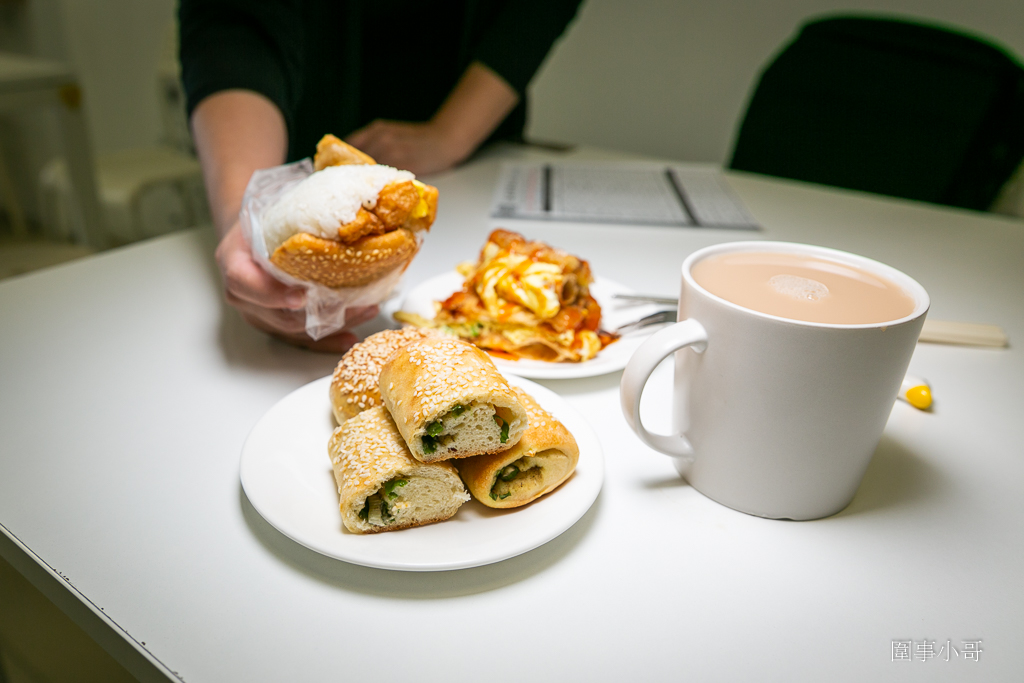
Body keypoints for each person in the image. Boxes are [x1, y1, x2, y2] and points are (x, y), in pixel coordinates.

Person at [179, 0, 582, 352]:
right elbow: (229, 20)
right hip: (292, 120)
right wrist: (244, 215)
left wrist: (453, 134)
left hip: (476, 138)